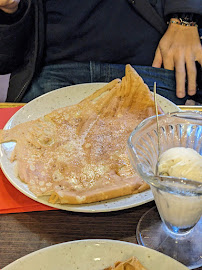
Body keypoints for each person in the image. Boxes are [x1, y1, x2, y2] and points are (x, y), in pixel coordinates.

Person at [0, 0, 201, 105]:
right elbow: (6, 60)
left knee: (170, 171)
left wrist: (185, 19)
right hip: (53, 71)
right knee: (29, 172)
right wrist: (10, 12)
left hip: (150, 66)